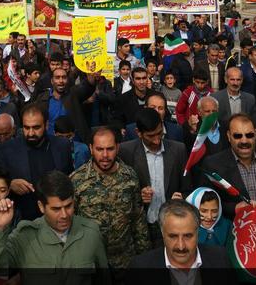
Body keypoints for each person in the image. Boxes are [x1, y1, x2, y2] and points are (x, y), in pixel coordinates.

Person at [0, 170, 109, 281]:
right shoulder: (25, 237)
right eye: (56, 209)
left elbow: (103, 279)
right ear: (41, 207)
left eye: (68, 206)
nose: (64, 215)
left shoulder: (91, 232)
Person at [71, 126, 150, 268]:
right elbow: (71, 222)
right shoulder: (77, 180)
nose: (105, 155)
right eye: (100, 149)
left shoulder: (130, 176)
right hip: (91, 261)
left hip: (125, 260)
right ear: (91, 148)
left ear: (117, 148)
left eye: (110, 149)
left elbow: (138, 219)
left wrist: (144, 257)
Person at [119, 109, 190, 246]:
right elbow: (121, 193)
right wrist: (139, 196)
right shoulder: (125, 152)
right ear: (138, 133)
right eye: (150, 136)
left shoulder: (179, 150)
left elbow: (188, 189)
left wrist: (181, 199)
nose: (157, 140)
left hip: (171, 225)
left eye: (159, 133)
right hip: (141, 228)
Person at [0, 102, 72, 220]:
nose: (31, 133)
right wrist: (10, 184)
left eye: (36, 127)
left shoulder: (62, 146)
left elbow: (70, 180)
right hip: (22, 220)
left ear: (46, 125)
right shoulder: (7, 150)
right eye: (26, 128)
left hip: (57, 218)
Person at [199, 114, 256, 219]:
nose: (244, 141)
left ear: (255, 134)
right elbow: (205, 201)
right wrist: (234, 208)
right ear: (229, 136)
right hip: (233, 229)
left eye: (249, 135)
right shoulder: (213, 164)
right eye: (237, 136)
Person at [128, 199, 233, 283]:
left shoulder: (220, 259)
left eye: (188, 236)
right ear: (162, 233)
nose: (181, 246)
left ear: (198, 232)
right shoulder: (140, 268)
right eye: (173, 236)